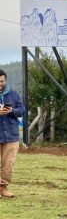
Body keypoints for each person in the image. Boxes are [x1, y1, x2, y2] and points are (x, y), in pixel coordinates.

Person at [0, 69, 25, 199]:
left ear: (5, 80)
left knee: (8, 164)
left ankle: (3, 188)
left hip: (11, 135)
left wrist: (12, 110)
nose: (0, 84)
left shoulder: (14, 95)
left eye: (2, 81)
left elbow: (22, 111)